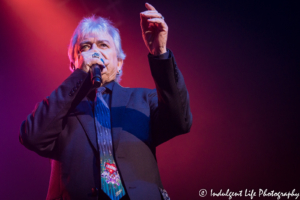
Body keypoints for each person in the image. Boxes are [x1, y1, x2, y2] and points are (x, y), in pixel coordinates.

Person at [19, 3, 192, 200]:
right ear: (74, 63)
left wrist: (160, 52)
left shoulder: (144, 99)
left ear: (119, 63)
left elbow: (181, 121)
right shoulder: (60, 112)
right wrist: (79, 77)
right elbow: (32, 136)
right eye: (85, 47)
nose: (94, 52)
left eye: (103, 45)